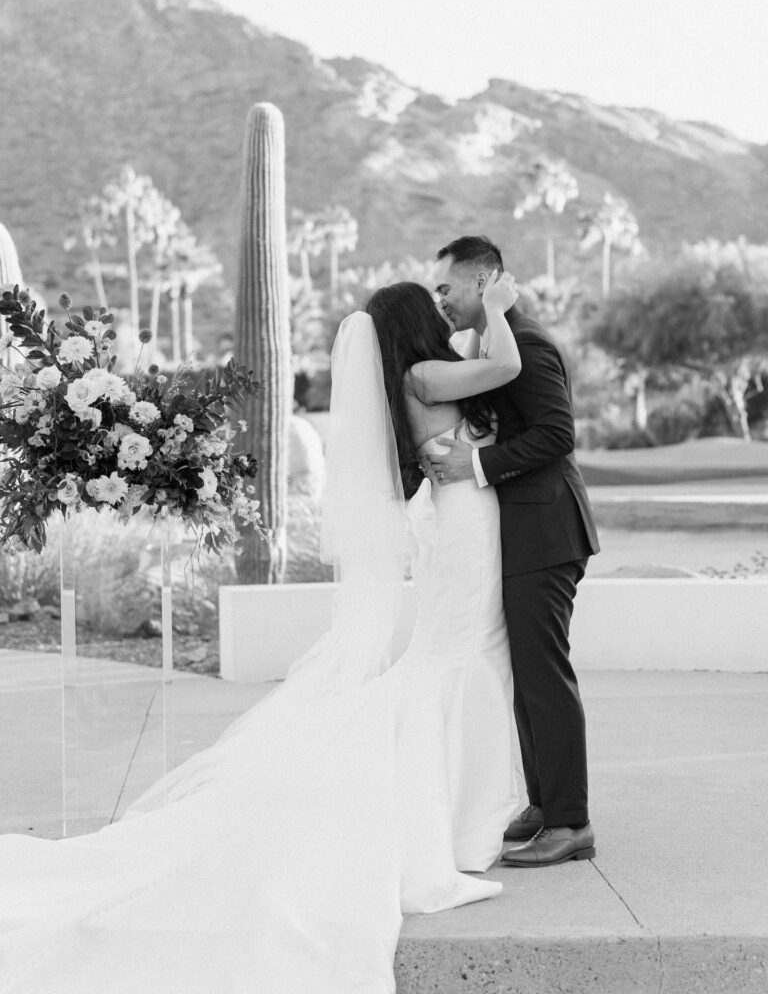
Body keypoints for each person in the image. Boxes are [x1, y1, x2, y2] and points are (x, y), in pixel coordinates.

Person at [0, 273, 523, 994]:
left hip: (465, 523)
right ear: (412, 324)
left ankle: (461, 812)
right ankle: (441, 823)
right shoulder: (425, 374)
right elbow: (503, 367)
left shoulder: (419, 374)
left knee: (458, 658)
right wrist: (495, 308)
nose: (442, 311)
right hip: (466, 526)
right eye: (430, 305)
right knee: (448, 661)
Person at [429, 235, 600, 868]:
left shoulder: (525, 342)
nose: (440, 299)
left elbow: (557, 435)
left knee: (543, 675)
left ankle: (570, 822)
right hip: (526, 532)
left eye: (446, 287)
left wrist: (476, 464)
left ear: (483, 282)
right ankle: (546, 800)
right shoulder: (496, 340)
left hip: (548, 530)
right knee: (527, 675)